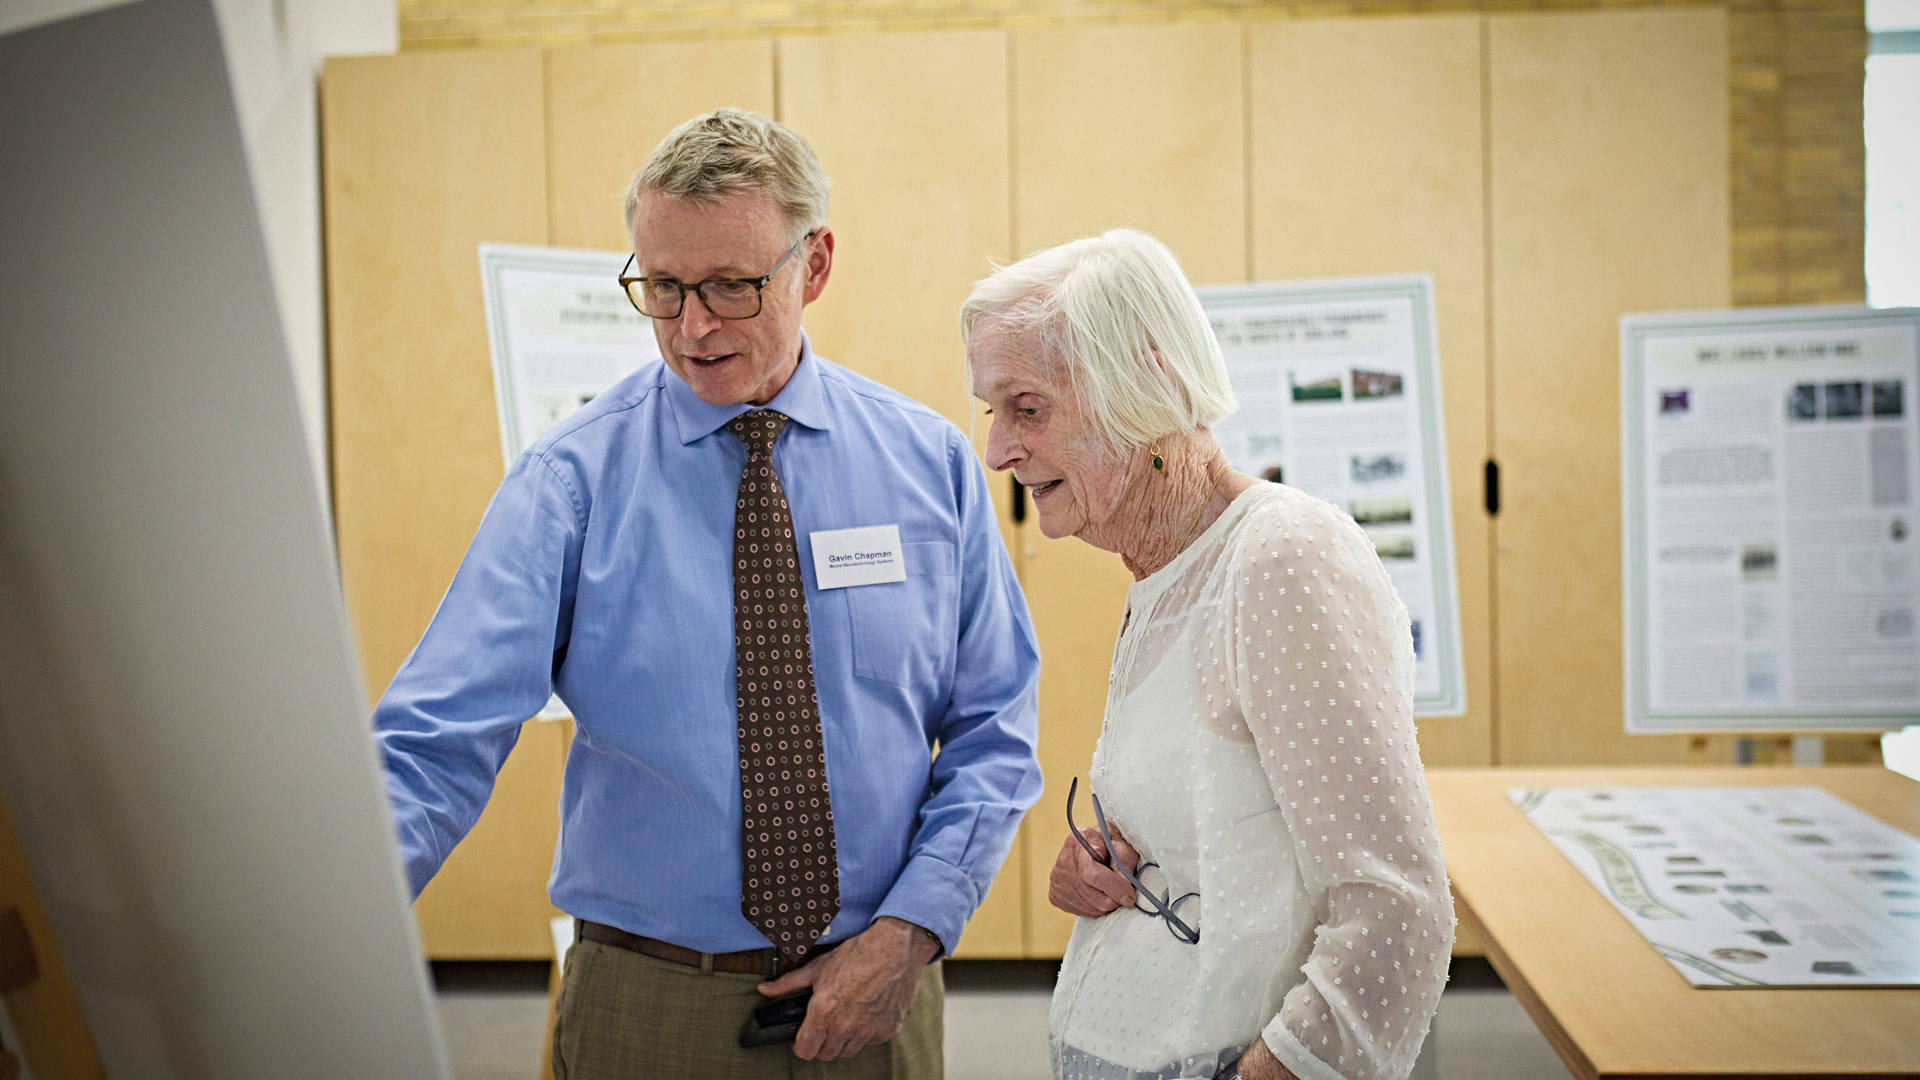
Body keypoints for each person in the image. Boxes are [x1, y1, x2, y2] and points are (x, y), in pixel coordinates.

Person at [374, 108, 1042, 1079]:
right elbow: (434, 742)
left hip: (880, 989)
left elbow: (995, 723)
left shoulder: (927, 465)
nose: (693, 327)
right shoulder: (570, 484)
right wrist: (315, 939)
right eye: (663, 288)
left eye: (731, 286)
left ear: (813, 266)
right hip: (650, 1004)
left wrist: (912, 929)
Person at [961, 229, 1453, 1080]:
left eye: (1028, 408)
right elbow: (1232, 832)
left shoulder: (1282, 559)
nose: (997, 449)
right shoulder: (1167, 570)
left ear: (1148, 387)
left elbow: (1396, 914)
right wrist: (1107, 872)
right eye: (993, 412)